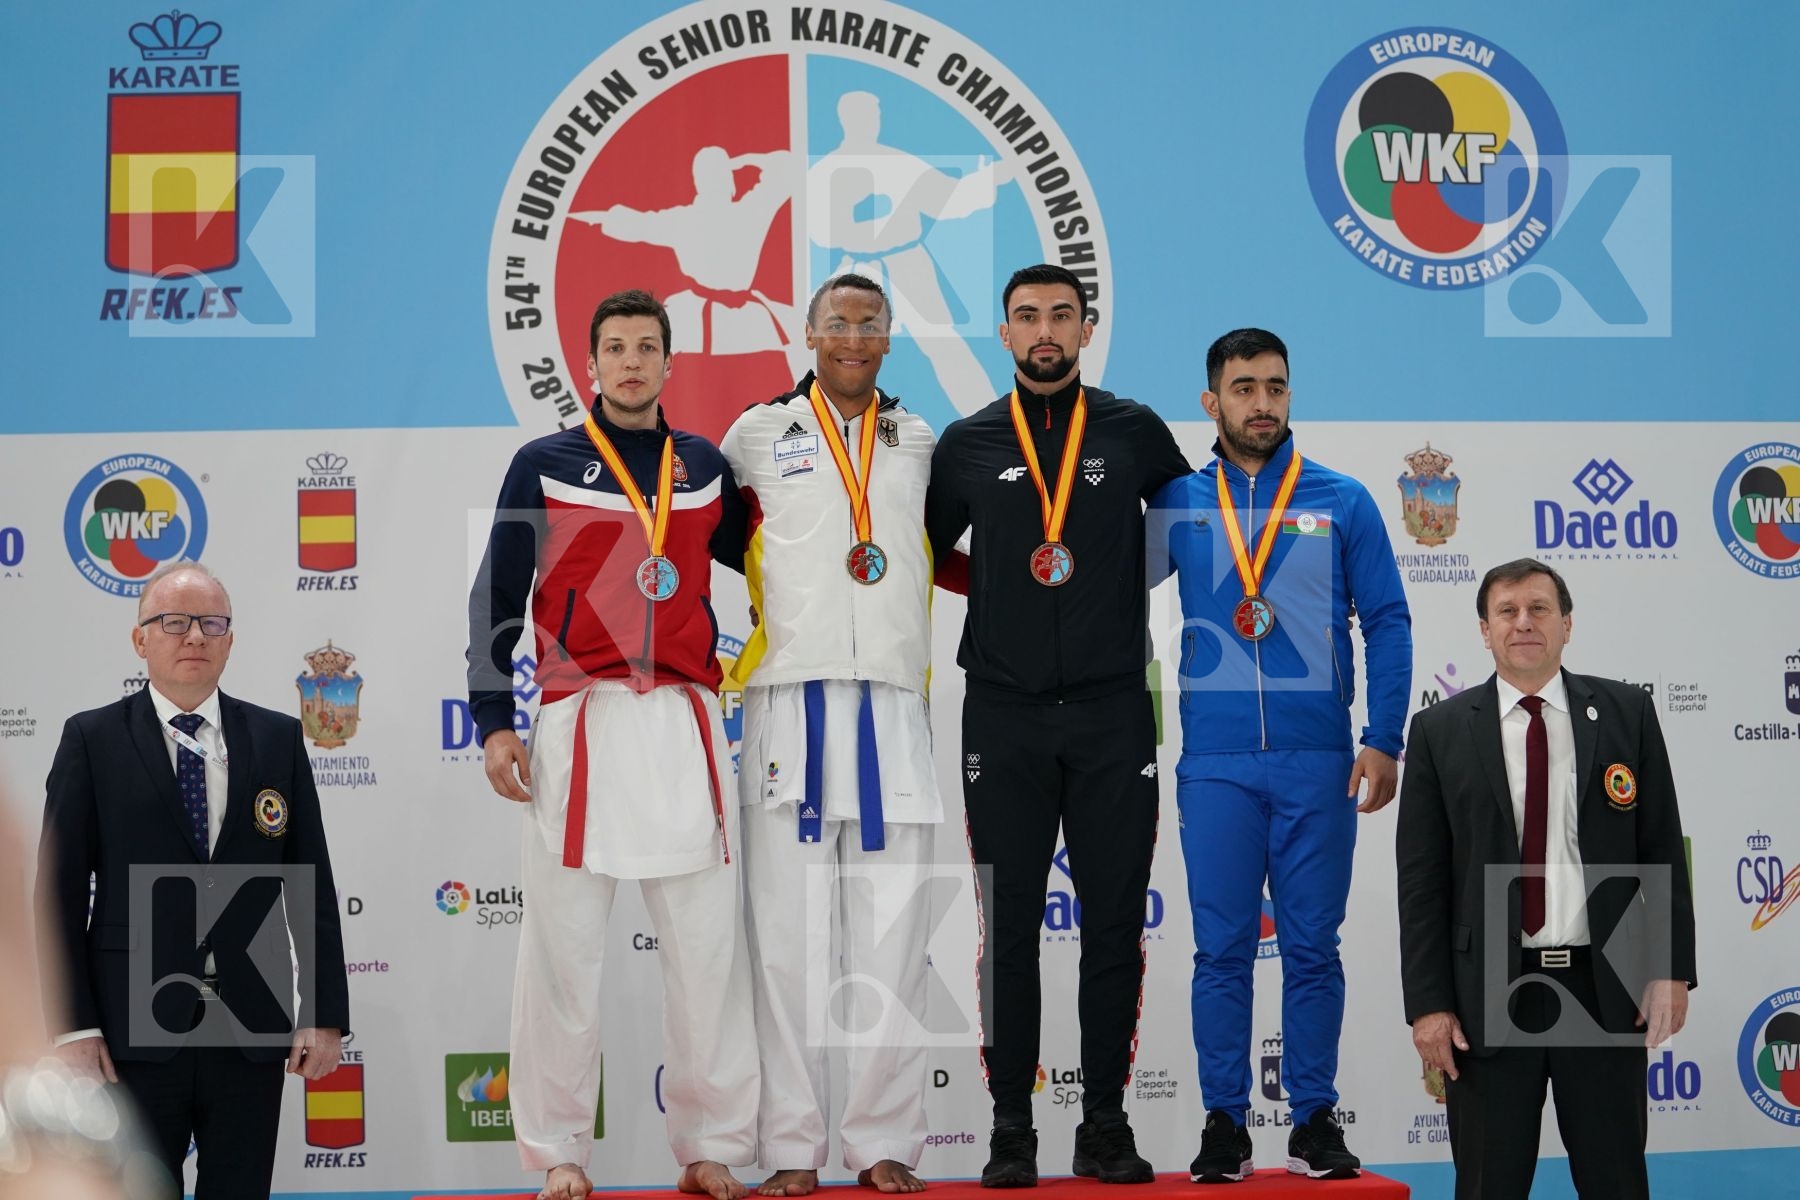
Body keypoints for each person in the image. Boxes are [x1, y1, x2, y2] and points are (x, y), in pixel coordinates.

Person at [466, 289, 757, 1200]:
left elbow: (769, 560)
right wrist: (494, 721)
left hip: (685, 720)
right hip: (581, 719)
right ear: (591, 364)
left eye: (647, 346)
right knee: (562, 954)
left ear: (670, 361)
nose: (632, 362)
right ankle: (559, 1151)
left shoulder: (703, 468)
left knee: (707, 953)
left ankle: (709, 1145)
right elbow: (496, 597)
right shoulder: (542, 464)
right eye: (616, 347)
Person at [924, 263, 1190, 1188]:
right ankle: (1012, 1128)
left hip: (1116, 710)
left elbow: (1188, 528)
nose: (1045, 331)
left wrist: (1112, 587)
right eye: (1028, 316)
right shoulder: (966, 442)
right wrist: (1001, 585)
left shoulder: (1133, 430)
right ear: (1004, 333)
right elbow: (925, 550)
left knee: (1114, 925)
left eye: (1061, 316)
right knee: (1009, 929)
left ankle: (1104, 1125)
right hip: (1004, 713)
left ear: (1086, 327)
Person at [1145, 328, 1411, 1182]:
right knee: (1221, 952)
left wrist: (1384, 735)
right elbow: (1103, 588)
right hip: (1216, 763)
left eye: (1275, 387)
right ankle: (1224, 1123)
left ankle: (1313, 1119)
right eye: (1244, 387)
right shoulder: (1178, 503)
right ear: (1211, 401)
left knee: (1312, 949)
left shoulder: (1343, 499)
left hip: (1317, 758)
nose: (1262, 403)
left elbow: (1388, 621)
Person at [720, 272, 939, 1197]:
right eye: (837, 322)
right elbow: (711, 537)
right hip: (789, 703)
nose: (853, 336)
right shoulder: (755, 434)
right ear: (808, 334)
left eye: (869, 323)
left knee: (895, 938)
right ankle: (792, 1149)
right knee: (786, 945)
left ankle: (884, 1142)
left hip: (892, 704)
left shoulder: (918, 438)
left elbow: (941, 549)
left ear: (888, 338)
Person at [36, 561, 350, 1199]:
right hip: (131, 1032)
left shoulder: (278, 738)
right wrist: (73, 1026)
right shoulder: (92, 739)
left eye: (212, 623)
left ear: (231, 640)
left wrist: (322, 1013)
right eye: (174, 622)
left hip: (249, 1026)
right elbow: (57, 895)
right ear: (140, 639)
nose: (195, 636)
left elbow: (309, 883)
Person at [1396, 559, 1696, 1200]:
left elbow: (1663, 848)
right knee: (1488, 1186)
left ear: (1567, 624)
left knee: (1617, 1182)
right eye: (1507, 612)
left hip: (1603, 989)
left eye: (1539, 609)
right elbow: (1421, 882)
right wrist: (1428, 1003)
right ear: (1485, 630)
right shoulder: (1438, 732)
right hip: (1487, 999)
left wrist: (1670, 968)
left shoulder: (1627, 712)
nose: (1524, 623)